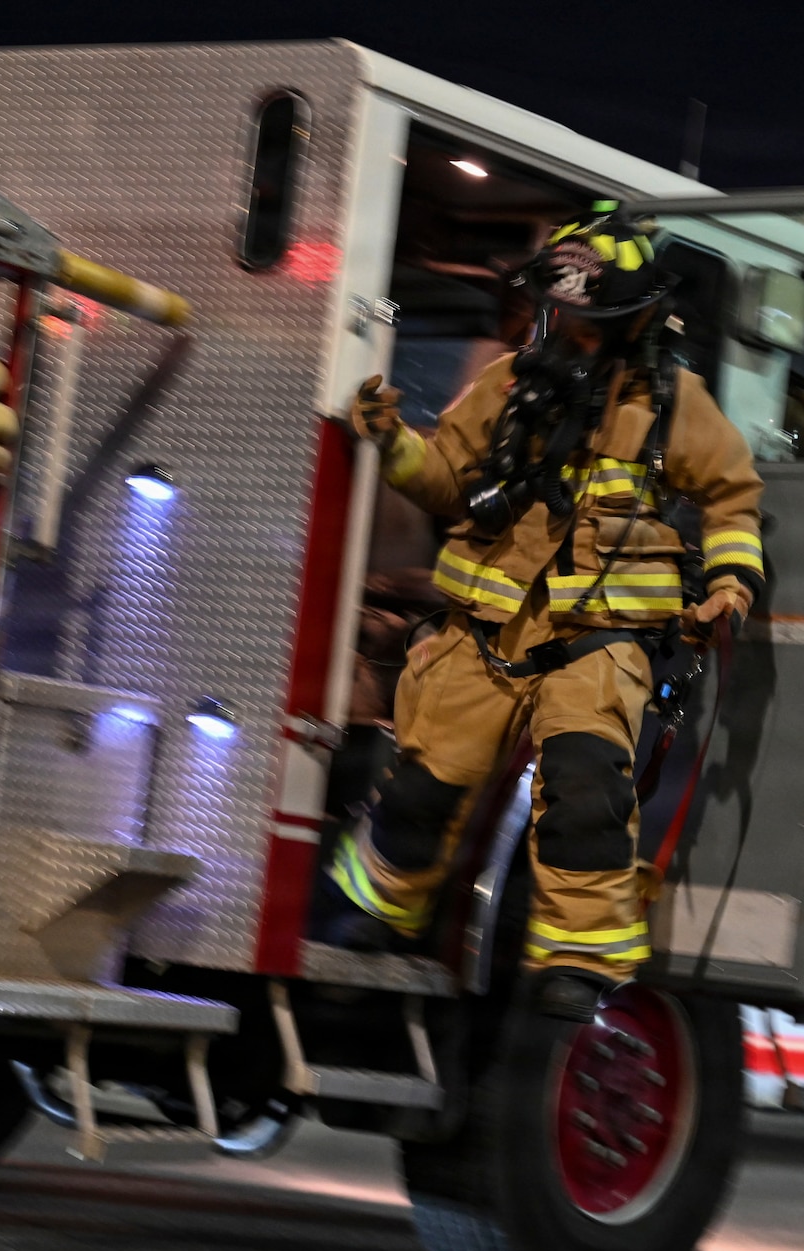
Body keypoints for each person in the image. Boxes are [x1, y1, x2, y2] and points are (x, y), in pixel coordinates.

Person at [312, 206, 766, 1021]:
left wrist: (731, 582)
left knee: (586, 790)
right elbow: (449, 478)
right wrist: (394, 443)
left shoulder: (675, 404)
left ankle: (578, 962)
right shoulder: (507, 386)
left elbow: (732, 498)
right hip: (485, 632)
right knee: (425, 782)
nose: (571, 333)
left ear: (634, 320)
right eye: (561, 313)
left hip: (599, 642)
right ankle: (381, 912)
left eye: (593, 321)